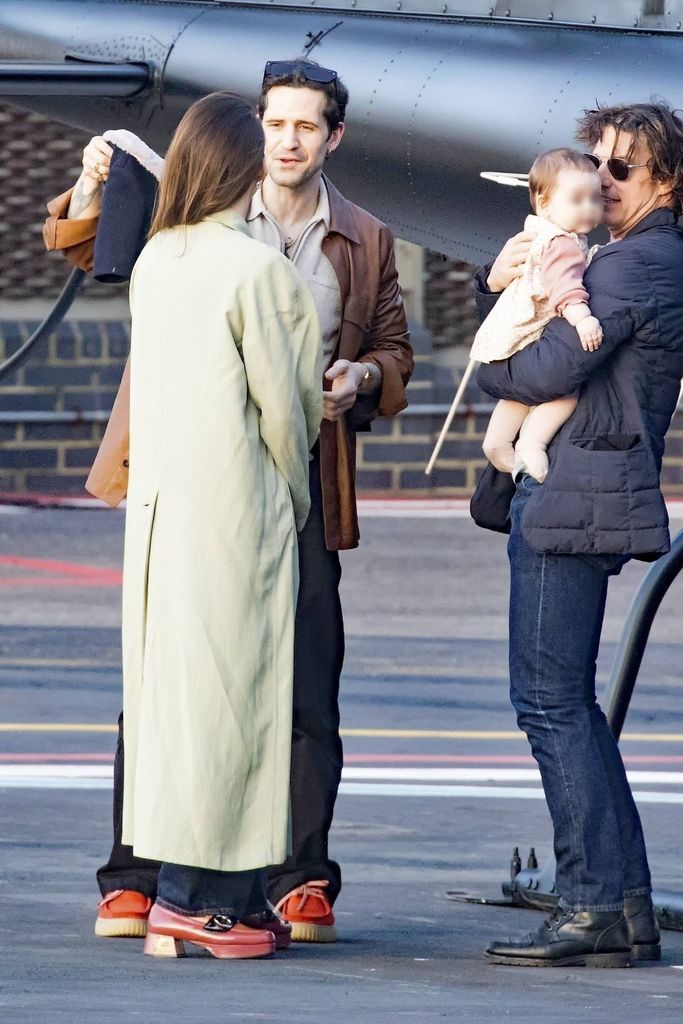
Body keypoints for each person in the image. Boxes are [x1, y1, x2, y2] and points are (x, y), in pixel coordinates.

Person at [44, 58, 413, 944]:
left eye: (305, 125)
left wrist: (362, 374)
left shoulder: (364, 238)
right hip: (227, 485)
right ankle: (139, 874)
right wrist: (91, 179)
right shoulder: (197, 223)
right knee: (176, 686)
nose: (286, 139)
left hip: (307, 492)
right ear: (256, 131)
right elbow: (90, 242)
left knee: (301, 692)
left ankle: (296, 876)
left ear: (333, 136)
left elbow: (395, 355)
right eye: (274, 123)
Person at [474, 101, 683, 967]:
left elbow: (545, 363)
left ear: (666, 181)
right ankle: (624, 902)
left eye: (619, 169)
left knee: (549, 702)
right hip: (581, 491)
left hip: (574, 498)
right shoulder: (630, 254)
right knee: (572, 706)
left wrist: (492, 365)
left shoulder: (638, 263)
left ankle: (588, 903)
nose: (598, 180)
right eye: (594, 163)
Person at [120, 91, 323, 960]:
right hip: (235, 513)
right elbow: (290, 411)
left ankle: (175, 891)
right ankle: (207, 905)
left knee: (176, 711)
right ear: (242, 168)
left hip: (160, 516)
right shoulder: (259, 271)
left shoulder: (156, 258)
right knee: (241, 707)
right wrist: (296, 497)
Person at [472, 148, 604, 482]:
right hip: (531, 328)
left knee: (518, 395)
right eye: (577, 199)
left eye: (595, 198)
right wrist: (582, 317)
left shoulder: (540, 234)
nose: (589, 207)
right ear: (544, 203)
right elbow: (565, 287)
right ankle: (532, 442)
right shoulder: (563, 244)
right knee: (565, 393)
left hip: (509, 334)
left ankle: (497, 441)